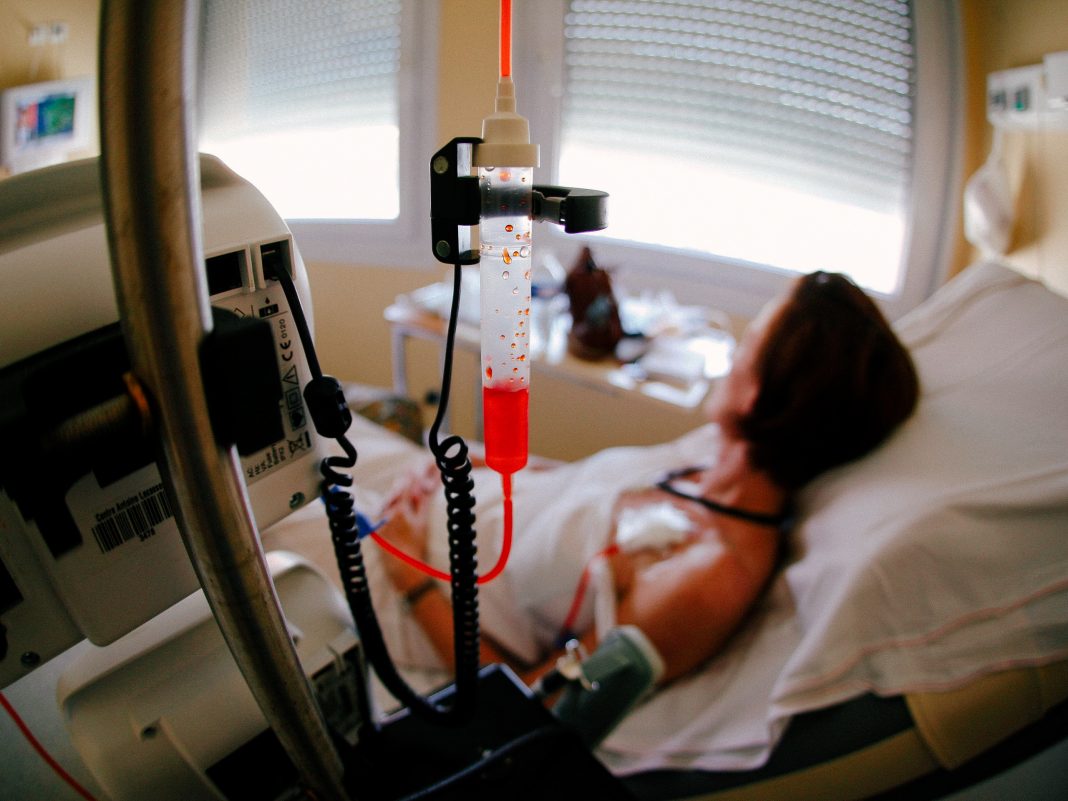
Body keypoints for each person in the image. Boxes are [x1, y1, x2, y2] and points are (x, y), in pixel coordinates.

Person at [375, 271, 920, 687]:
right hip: (439, 496)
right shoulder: (710, 461)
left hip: (413, 589)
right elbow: (583, 494)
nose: (732, 356)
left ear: (762, 393)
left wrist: (408, 575)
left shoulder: (705, 578)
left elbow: (533, 709)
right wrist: (478, 462)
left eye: (748, 345)